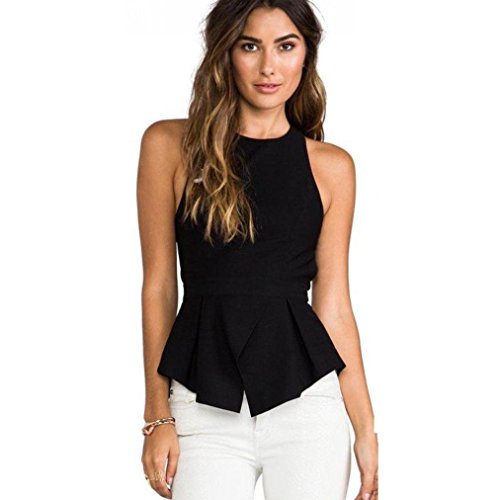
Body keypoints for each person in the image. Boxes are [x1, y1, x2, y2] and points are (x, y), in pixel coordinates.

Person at [137, 1, 378, 499]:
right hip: (202, 404)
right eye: (251, 46)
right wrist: (157, 414)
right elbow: (159, 286)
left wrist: (365, 429)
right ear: (225, 52)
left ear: (306, 54)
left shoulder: (332, 168)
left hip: (307, 406)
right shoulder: (170, 146)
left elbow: (333, 305)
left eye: (285, 46)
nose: (269, 66)